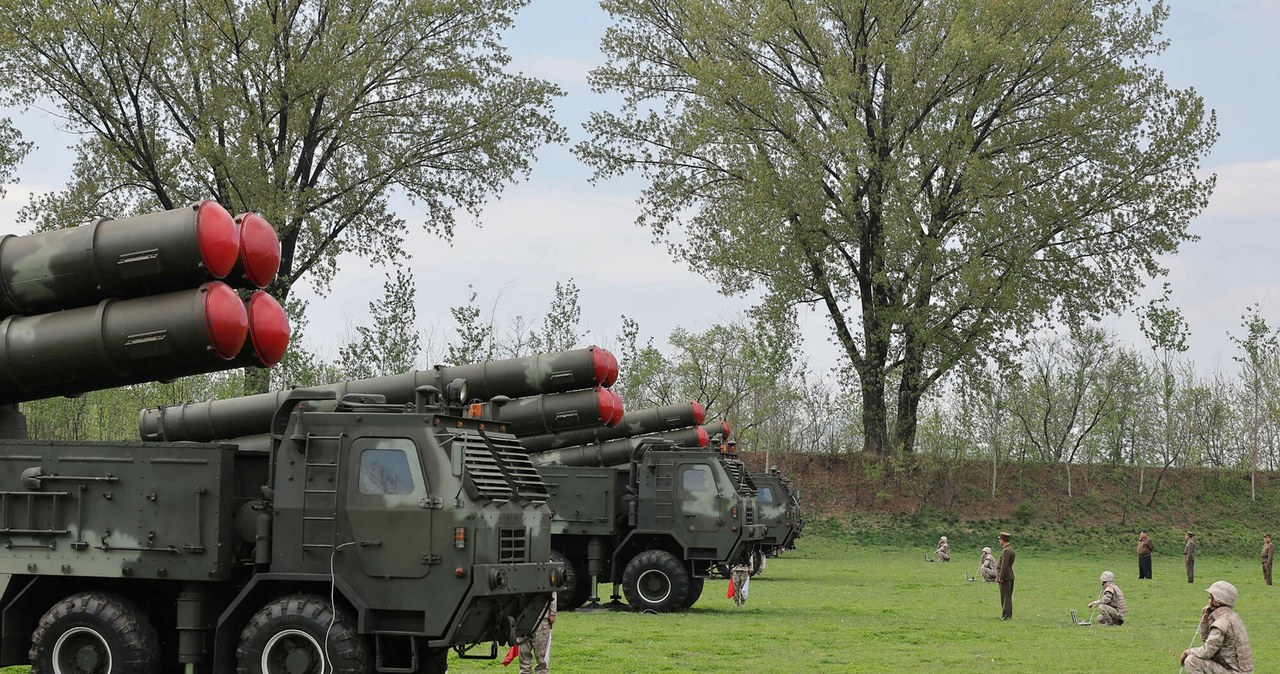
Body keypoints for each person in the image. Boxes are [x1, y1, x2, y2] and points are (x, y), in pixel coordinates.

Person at [1180, 580, 1253, 674]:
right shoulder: (1232, 616)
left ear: (1218, 601)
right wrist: (1206, 618)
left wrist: (1188, 652)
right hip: (1237, 670)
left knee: (1191, 661)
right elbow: (1205, 638)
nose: (1209, 600)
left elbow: (1207, 652)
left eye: (1211, 597)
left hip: (1234, 672)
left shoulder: (1222, 623)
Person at [518, 591, 556, 674]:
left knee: (541, 657)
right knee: (524, 655)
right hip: (523, 619)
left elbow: (552, 591)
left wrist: (552, 612)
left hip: (541, 618)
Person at [996, 532, 1015, 620]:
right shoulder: (1010, 548)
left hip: (1006, 576)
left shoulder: (1006, 550)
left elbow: (1004, 565)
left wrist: (1001, 577)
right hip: (1009, 575)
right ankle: (1007, 615)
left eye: (1000, 539)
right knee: (1007, 597)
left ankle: (1006, 616)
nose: (999, 541)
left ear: (1002, 540)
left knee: (1005, 597)